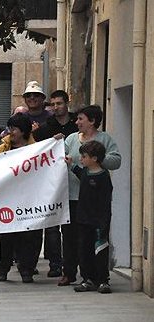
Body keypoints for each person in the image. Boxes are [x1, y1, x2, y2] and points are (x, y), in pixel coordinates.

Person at [58, 105, 121, 286]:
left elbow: (116, 161)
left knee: (95, 239)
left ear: (92, 121)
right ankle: (69, 272)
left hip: (95, 201)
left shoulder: (105, 139)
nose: (77, 122)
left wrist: (97, 158)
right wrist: (55, 143)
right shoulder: (70, 139)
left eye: (80, 119)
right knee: (70, 238)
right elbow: (57, 155)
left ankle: (99, 276)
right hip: (71, 196)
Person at [32, 90, 78, 279]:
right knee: (52, 227)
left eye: (59, 103)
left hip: (73, 182)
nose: (56, 107)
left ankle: (73, 264)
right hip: (51, 183)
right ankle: (55, 264)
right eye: (53, 104)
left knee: (72, 229)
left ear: (67, 103)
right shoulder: (45, 128)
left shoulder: (77, 124)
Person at [0, 114, 42, 283]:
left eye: (14, 129)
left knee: (29, 237)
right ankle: (3, 267)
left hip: (29, 198)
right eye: (10, 128)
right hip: (7, 199)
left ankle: (27, 269)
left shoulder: (36, 149)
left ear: (23, 131)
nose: (10, 132)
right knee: (7, 237)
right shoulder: (3, 149)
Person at [66, 141, 113, 294]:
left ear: (94, 158)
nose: (81, 158)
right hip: (83, 219)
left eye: (84, 156)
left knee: (100, 250)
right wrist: (71, 165)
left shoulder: (103, 176)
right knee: (84, 250)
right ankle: (88, 279)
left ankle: (103, 280)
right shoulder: (85, 172)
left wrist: (104, 221)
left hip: (99, 220)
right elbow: (79, 172)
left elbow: (106, 201)